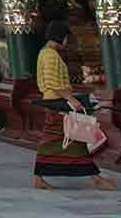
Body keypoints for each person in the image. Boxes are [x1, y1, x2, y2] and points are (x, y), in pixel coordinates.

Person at [34, 19, 116, 191]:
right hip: (57, 104)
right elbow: (52, 83)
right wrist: (71, 100)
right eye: (66, 38)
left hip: (56, 102)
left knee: (58, 141)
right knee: (71, 140)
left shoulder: (46, 53)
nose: (66, 42)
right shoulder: (50, 55)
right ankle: (96, 179)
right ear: (60, 37)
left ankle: (39, 178)